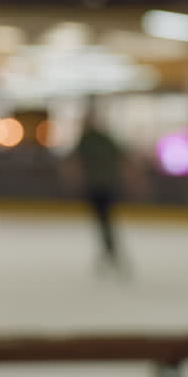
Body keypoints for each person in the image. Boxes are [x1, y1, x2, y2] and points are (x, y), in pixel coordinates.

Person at [63, 112, 133, 276]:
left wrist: (73, 178)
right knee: (105, 220)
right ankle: (109, 250)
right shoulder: (104, 139)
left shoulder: (88, 140)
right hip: (107, 185)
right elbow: (124, 159)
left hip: (97, 186)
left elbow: (73, 162)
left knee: (103, 220)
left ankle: (110, 250)